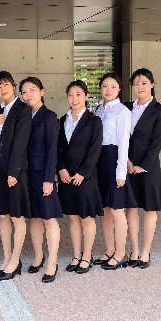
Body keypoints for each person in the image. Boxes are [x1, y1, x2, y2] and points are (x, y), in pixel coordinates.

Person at [0, 71, 32, 281]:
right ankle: (6, 258)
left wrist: (13, 172)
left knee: (16, 214)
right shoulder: (0, 109)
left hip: (14, 169)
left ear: (13, 85)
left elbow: (21, 142)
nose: (2, 89)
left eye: (5, 84)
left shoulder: (23, 109)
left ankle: (16, 260)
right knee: (3, 214)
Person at [57, 80, 103, 274]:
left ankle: (87, 256)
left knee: (86, 217)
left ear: (86, 96)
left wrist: (82, 173)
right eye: (70, 95)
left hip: (86, 178)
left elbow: (95, 150)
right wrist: (61, 169)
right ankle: (76, 255)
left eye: (78, 94)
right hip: (66, 177)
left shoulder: (94, 121)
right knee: (73, 218)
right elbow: (57, 149)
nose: (74, 99)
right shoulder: (62, 121)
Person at [19, 77, 62, 283]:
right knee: (34, 217)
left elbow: (52, 150)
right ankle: (38, 257)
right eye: (25, 92)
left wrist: (49, 179)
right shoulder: (24, 116)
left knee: (48, 217)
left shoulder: (49, 117)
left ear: (42, 92)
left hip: (42, 174)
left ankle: (52, 262)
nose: (28, 95)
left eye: (32, 90)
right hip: (26, 173)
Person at [125, 68, 161, 269]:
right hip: (126, 165)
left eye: (143, 83)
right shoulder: (126, 108)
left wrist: (143, 165)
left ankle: (145, 251)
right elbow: (121, 138)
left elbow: (157, 142)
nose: (139, 87)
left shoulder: (160, 111)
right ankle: (134, 250)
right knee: (131, 209)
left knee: (150, 208)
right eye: (136, 83)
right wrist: (125, 160)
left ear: (152, 84)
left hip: (148, 169)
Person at [94, 73, 136, 270]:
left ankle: (120, 253)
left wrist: (121, 173)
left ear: (119, 89)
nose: (108, 90)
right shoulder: (98, 110)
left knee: (117, 210)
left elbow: (123, 144)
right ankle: (109, 249)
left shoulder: (122, 112)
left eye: (112, 86)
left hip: (114, 159)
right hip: (99, 161)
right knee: (104, 210)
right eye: (104, 86)